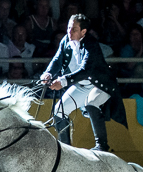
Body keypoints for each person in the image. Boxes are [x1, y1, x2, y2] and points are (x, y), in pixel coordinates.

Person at [41, 14, 127, 152]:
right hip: (80, 85)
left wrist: (63, 81)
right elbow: (57, 59)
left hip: (98, 85)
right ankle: (66, 149)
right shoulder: (65, 40)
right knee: (59, 110)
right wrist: (48, 73)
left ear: (83, 32)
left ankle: (102, 146)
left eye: (74, 29)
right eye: (69, 28)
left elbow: (85, 70)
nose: (69, 31)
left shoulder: (91, 44)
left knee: (91, 103)